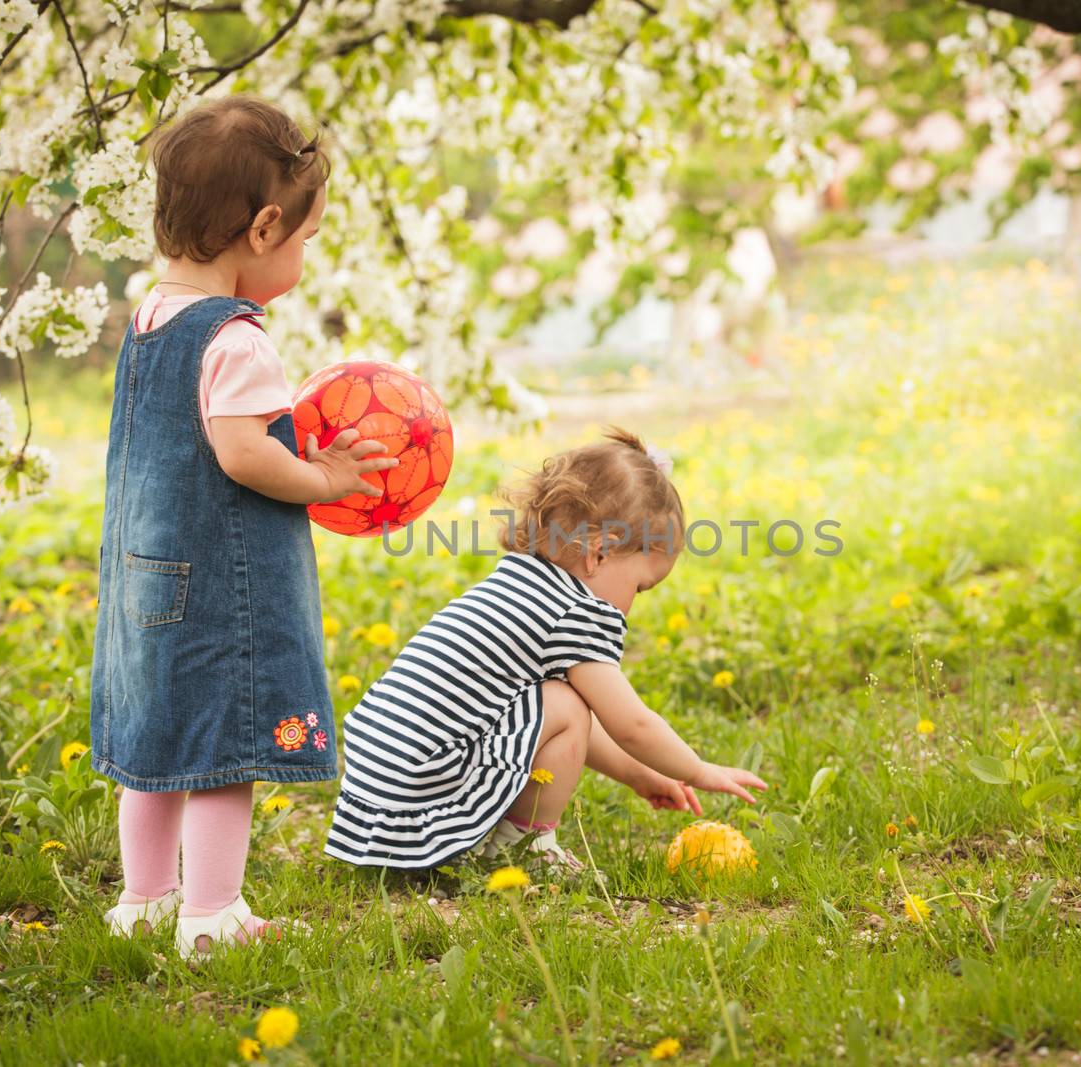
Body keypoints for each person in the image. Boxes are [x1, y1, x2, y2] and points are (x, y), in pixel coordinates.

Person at [89, 96, 397, 958]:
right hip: (219, 592)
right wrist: (324, 475)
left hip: (147, 577)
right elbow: (242, 453)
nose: (301, 255)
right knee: (230, 746)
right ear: (264, 228)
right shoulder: (235, 338)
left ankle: (146, 898)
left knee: (157, 741)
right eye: (304, 240)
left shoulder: (149, 321)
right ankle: (213, 914)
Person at [325, 427, 767, 870]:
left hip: (378, 804)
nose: (633, 603)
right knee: (565, 702)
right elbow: (630, 723)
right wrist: (696, 769)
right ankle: (521, 847)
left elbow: (548, 721)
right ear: (599, 554)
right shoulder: (575, 612)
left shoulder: (521, 581)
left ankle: (495, 839)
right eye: (640, 585)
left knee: (564, 701)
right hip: (419, 798)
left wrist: (641, 774)